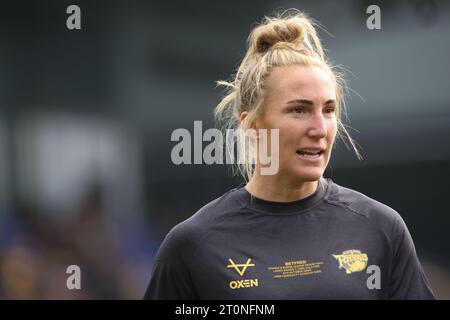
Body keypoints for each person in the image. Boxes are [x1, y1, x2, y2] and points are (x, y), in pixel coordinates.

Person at [144, 9, 435, 300]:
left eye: (329, 110)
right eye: (299, 110)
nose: (320, 128)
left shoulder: (381, 228)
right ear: (253, 125)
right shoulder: (193, 244)